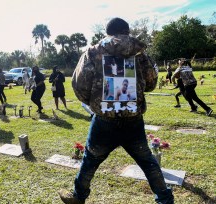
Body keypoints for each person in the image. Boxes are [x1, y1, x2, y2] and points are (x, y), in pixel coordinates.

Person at [59, 17, 174, 204]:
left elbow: (79, 84)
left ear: (108, 33)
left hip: (104, 119)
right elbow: (152, 82)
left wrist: (95, 102)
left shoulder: (92, 52)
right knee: (147, 161)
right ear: (127, 32)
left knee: (91, 160)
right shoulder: (140, 54)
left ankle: (78, 197)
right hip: (133, 119)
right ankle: (165, 199)